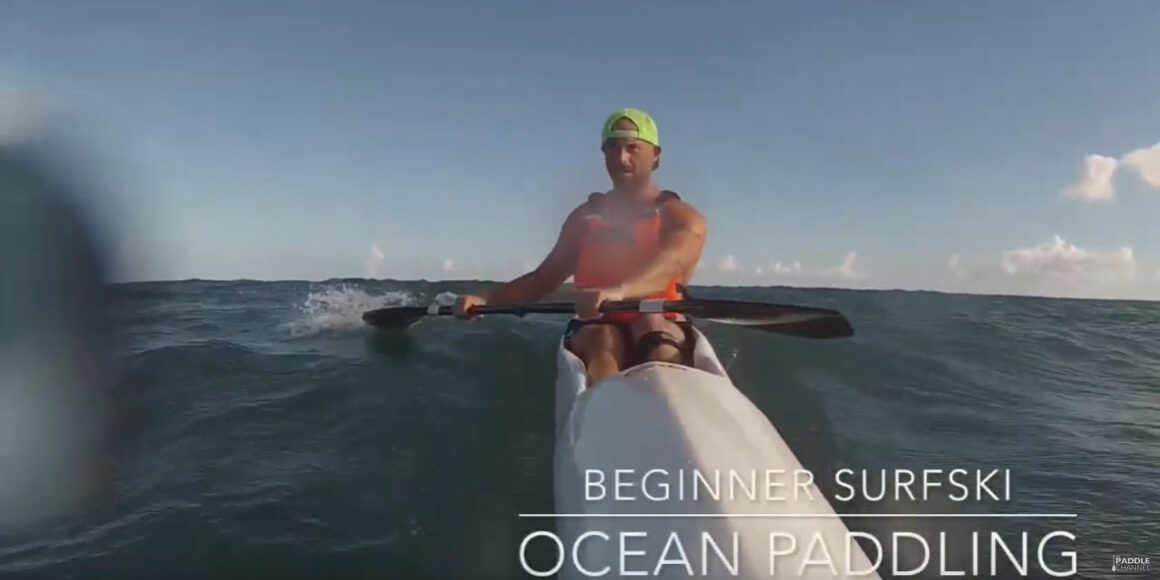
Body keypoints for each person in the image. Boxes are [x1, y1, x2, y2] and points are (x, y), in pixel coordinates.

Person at [454, 108, 707, 384]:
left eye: (632, 149)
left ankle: (667, 405)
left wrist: (620, 292)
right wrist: (486, 300)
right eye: (611, 149)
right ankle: (605, 414)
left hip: (656, 316)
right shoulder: (584, 218)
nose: (621, 159)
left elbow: (672, 262)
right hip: (597, 323)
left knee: (653, 330)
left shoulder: (680, 217)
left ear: (655, 155)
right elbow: (543, 279)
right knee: (603, 340)